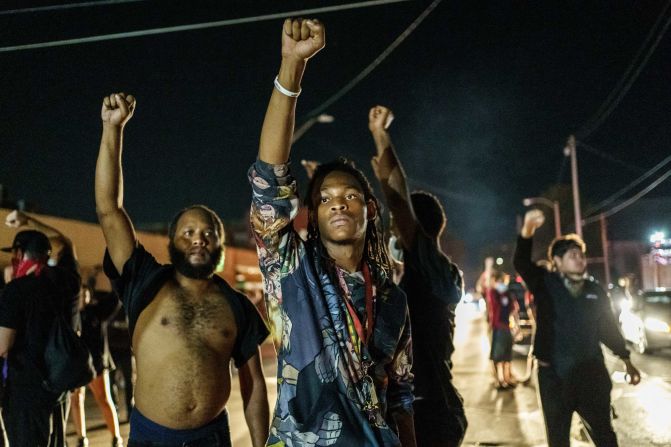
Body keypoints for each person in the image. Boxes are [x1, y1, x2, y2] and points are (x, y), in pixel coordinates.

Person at [249, 18, 415, 446]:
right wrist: (291, 69)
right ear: (311, 214)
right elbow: (270, 180)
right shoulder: (291, 270)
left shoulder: (393, 298)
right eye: (324, 198)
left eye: (351, 196)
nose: (338, 202)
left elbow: (400, 394)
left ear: (370, 208)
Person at [95, 92, 270, 446]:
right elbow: (109, 209)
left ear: (219, 246)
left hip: (212, 438)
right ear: (172, 242)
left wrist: (261, 443)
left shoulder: (238, 306)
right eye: (188, 232)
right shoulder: (143, 279)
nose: (198, 239)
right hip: (151, 437)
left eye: (208, 233)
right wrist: (113, 129)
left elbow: (254, 387)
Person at [366, 105, 467, 446]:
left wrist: (381, 136)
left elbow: (398, 200)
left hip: (429, 410)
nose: (392, 232)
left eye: (398, 227)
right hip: (435, 403)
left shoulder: (427, 264)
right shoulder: (435, 271)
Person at [514, 209, 641, 447]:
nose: (580, 259)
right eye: (573, 255)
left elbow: (608, 329)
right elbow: (521, 262)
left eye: (581, 255)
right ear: (558, 262)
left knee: (604, 434)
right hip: (553, 376)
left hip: (590, 373)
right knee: (558, 438)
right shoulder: (545, 284)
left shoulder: (595, 290)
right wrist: (528, 229)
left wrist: (626, 358)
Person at [0, 229, 80, 445]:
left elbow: (3, 345)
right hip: (59, 386)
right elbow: (66, 241)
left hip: (26, 392)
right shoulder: (67, 283)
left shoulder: (16, 290)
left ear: (19, 253)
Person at [70, 283, 123, 447]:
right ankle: (82, 438)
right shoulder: (70, 315)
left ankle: (116, 437)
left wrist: (116, 280)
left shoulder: (96, 312)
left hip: (97, 364)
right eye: (80, 293)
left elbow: (114, 300)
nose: (83, 297)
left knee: (104, 399)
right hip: (77, 364)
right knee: (76, 400)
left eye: (86, 293)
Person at [485, 271, 520, 389]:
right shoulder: (494, 293)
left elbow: (514, 310)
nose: (502, 283)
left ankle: (506, 378)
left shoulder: (508, 294)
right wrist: (488, 268)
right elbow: (488, 287)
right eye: (500, 281)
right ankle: (498, 380)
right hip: (497, 328)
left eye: (503, 281)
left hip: (507, 328)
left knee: (507, 356)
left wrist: (516, 326)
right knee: (496, 357)